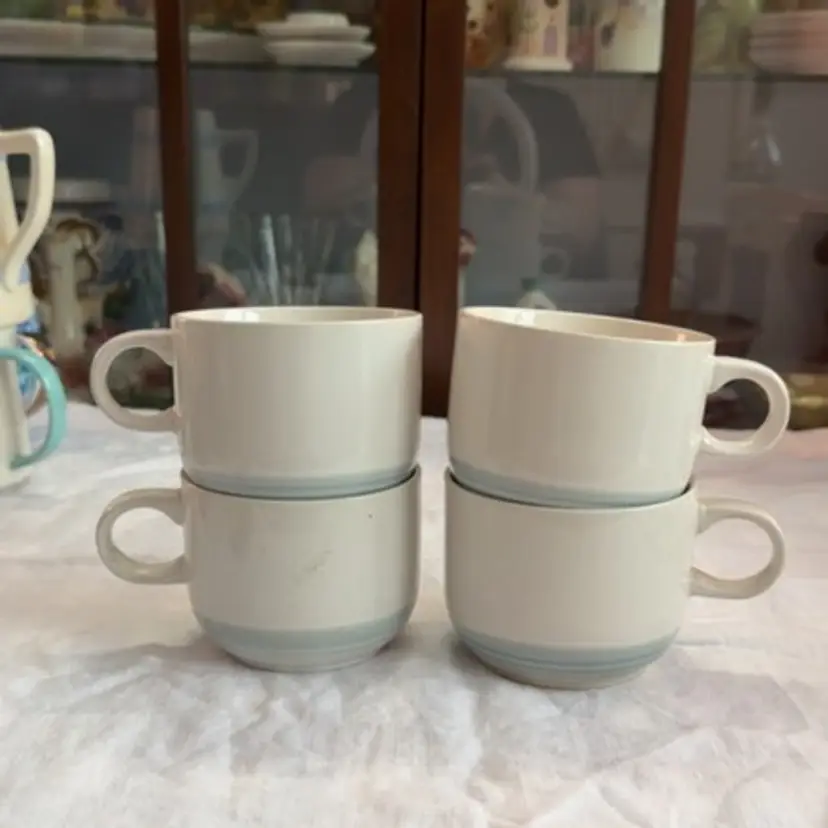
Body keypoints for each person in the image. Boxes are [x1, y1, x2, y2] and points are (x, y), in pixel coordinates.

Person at [303, 75, 605, 286]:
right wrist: (398, 174)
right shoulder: (365, 100)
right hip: (384, 288)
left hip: (515, 293)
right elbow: (318, 196)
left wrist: (511, 202)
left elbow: (582, 229)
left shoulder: (549, 109)